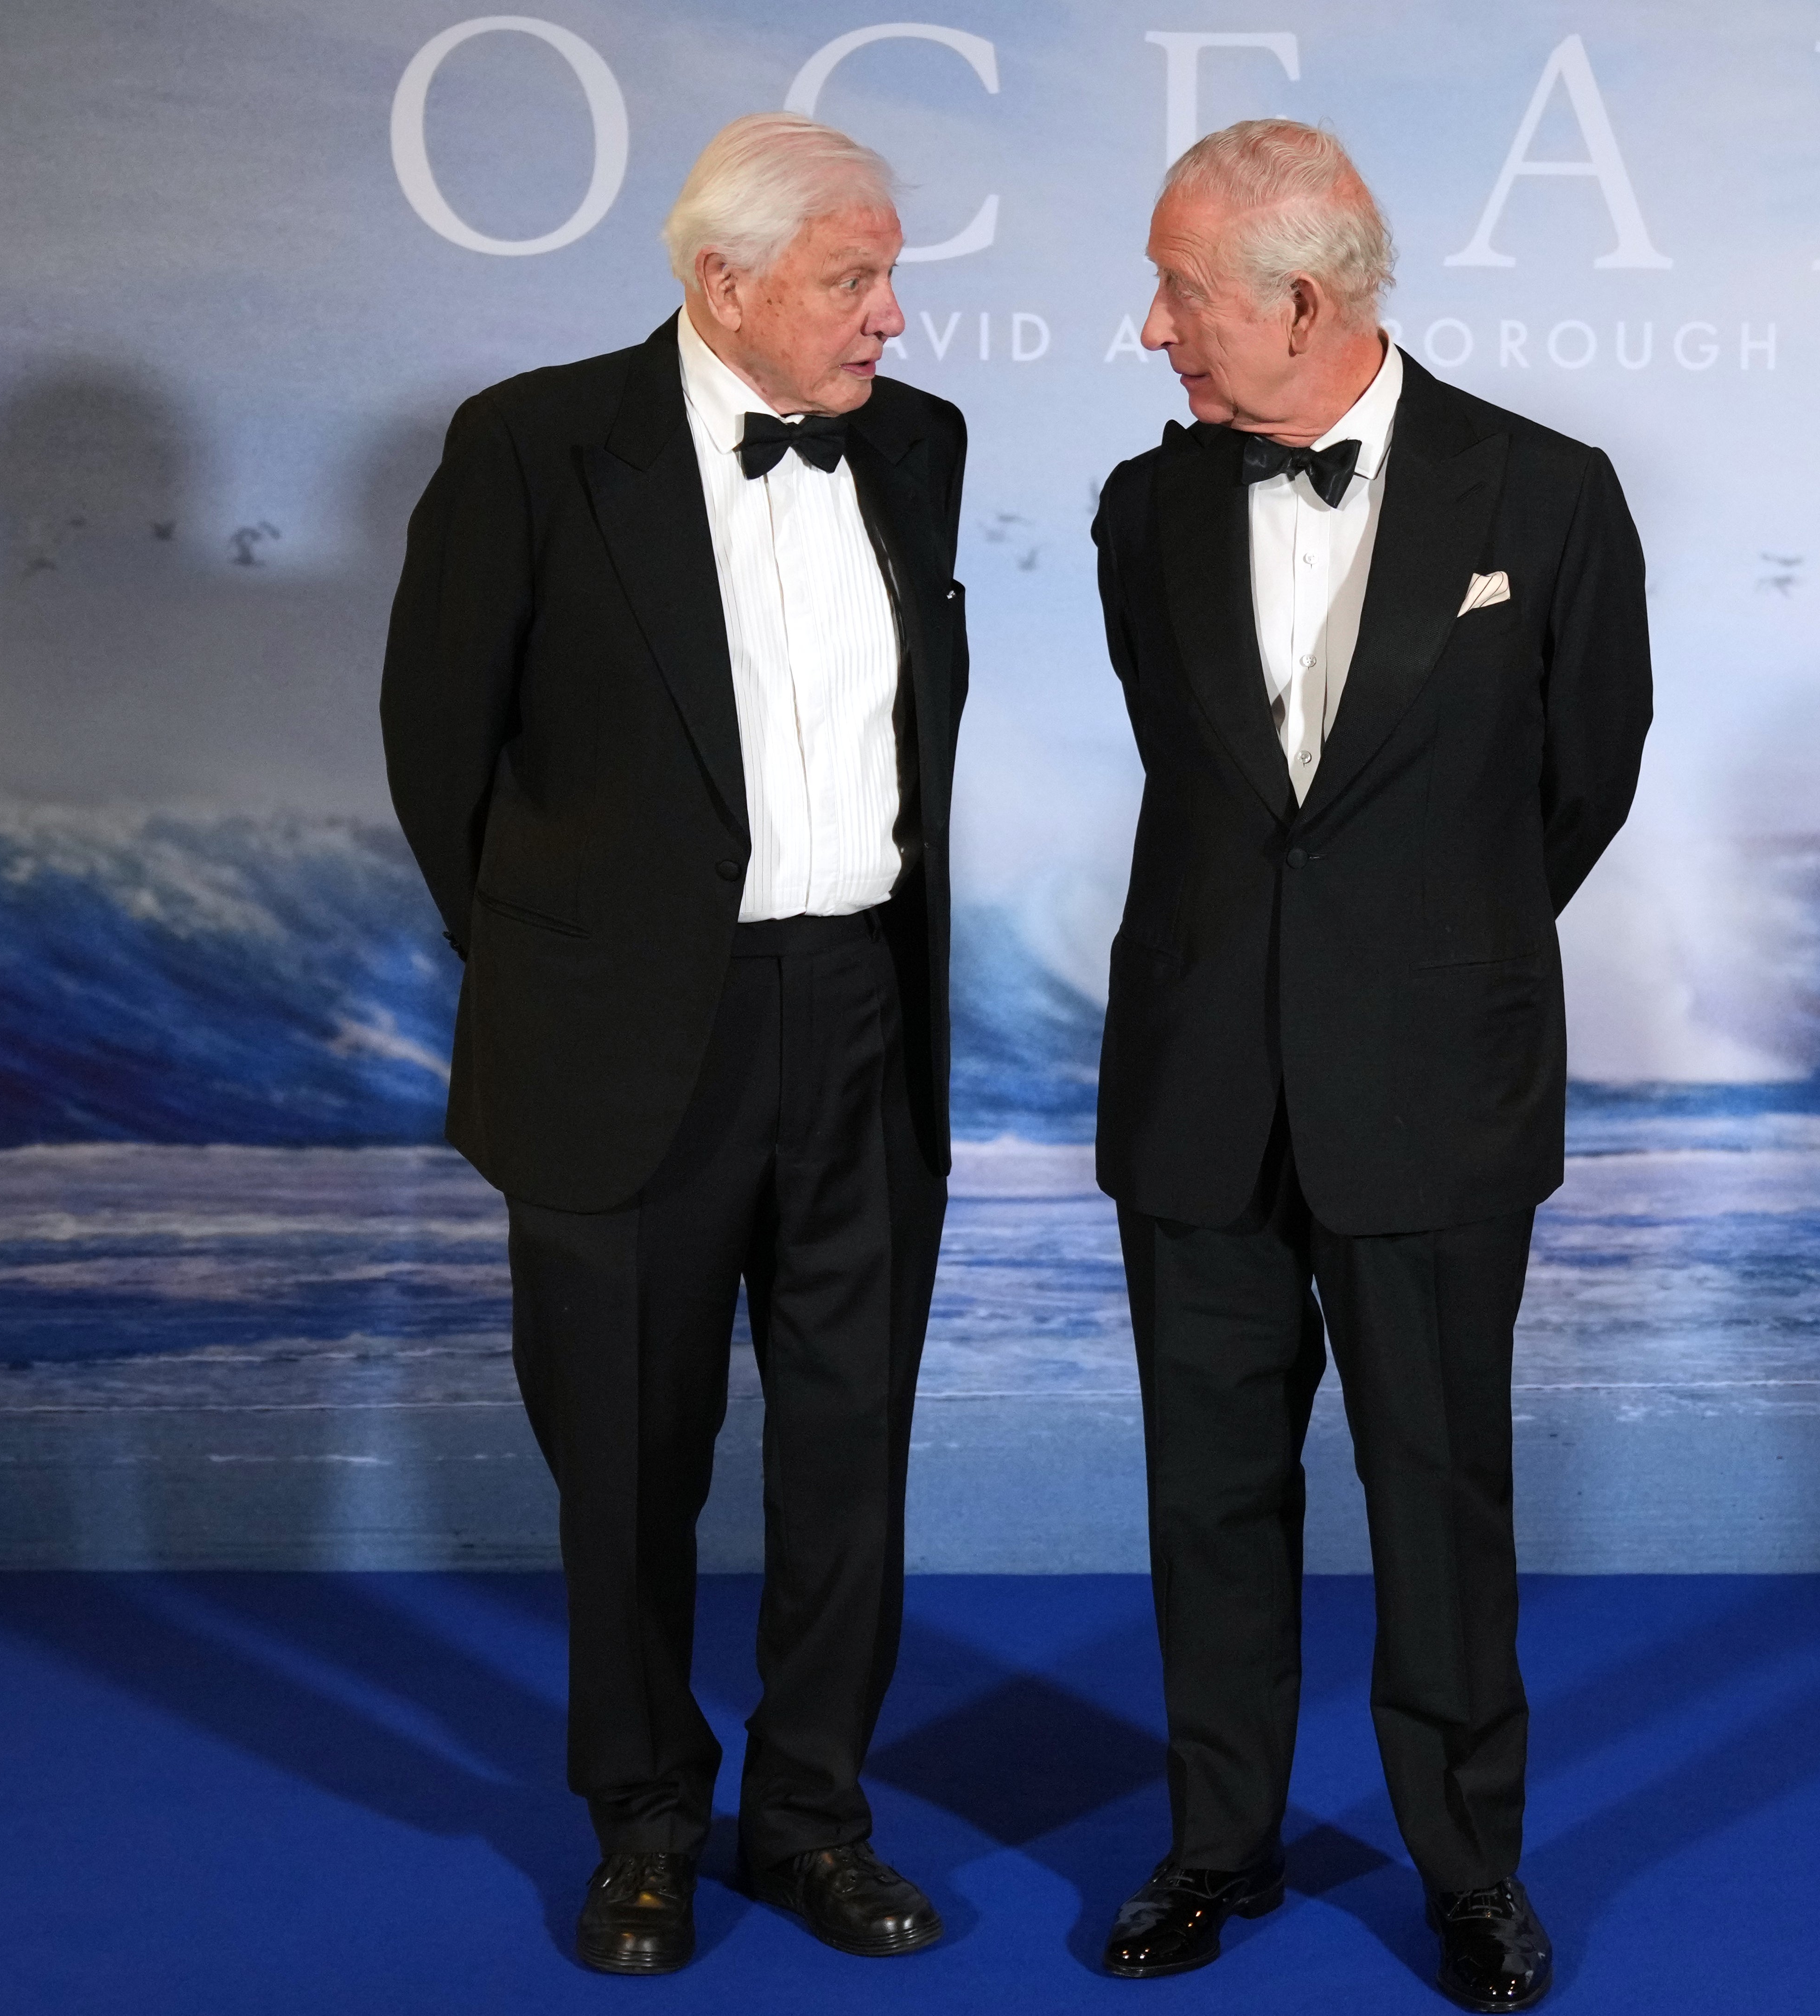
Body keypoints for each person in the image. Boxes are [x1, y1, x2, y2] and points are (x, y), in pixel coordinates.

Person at [380, 112, 967, 1976]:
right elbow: (437, 747)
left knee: (847, 1448)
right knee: (628, 1459)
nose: (890, 314)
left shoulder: (920, 448)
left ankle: (811, 1816)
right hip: (628, 1030)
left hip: (860, 1012)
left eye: (887, 272)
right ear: (721, 280)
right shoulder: (534, 444)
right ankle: (640, 1820)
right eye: (850, 277)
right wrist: (571, 968)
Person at [1088, 120, 1652, 2012]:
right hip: (1194, 1087)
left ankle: (1468, 1870)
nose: (1151, 326)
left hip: (1430, 1088)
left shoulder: (1549, 493)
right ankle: (1214, 1838)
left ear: (1298, 299)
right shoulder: (1136, 508)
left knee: (1437, 1493)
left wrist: (1415, 962)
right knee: (1208, 1495)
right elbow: (1214, 797)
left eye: (1178, 289)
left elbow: (1577, 787)